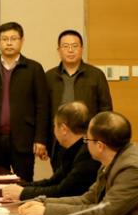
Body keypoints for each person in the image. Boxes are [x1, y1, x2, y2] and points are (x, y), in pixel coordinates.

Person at [19, 111, 138, 215]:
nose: (85, 145)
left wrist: (46, 212)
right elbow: (87, 199)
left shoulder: (131, 169)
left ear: (100, 146)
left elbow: (103, 213)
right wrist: (44, 203)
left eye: (87, 140)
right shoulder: (112, 159)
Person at [0, 22, 49, 182]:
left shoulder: (34, 69)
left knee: (23, 184)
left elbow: (42, 106)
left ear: (22, 41)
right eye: (4, 39)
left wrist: (41, 139)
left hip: (24, 138)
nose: (9, 43)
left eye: (13, 39)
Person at [2, 101, 99, 201]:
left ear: (64, 129)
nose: (54, 130)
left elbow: (62, 192)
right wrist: (19, 186)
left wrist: (23, 193)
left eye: (54, 126)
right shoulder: (75, 148)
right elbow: (53, 182)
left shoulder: (86, 153)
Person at [46, 29, 112, 168]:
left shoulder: (96, 75)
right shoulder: (49, 76)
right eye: (66, 46)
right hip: (58, 142)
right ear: (59, 50)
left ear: (82, 49)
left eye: (75, 46)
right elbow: (43, 111)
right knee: (60, 177)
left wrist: (102, 137)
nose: (70, 50)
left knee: (86, 178)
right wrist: (42, 141)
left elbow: (106, 109)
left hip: (88, 141)